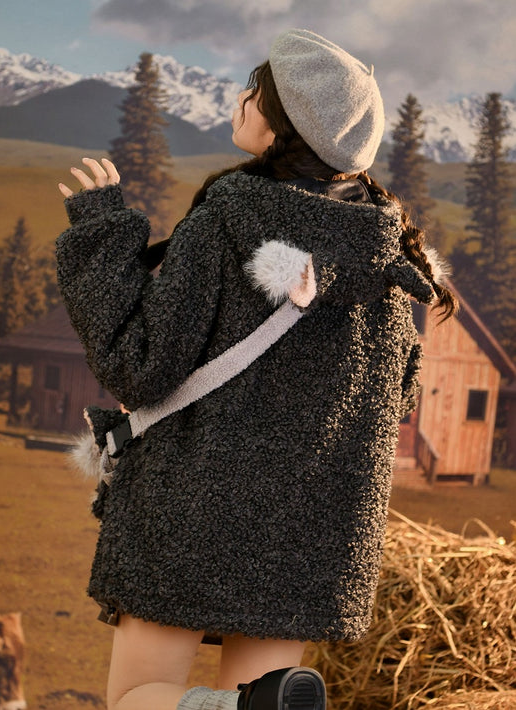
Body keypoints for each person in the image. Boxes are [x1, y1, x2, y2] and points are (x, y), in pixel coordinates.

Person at [56, 28, 457, 710]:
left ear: (283, 126)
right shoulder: (390, 259)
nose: (241, 100)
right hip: (310, 535)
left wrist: (100, 236)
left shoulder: (229, 221)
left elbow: (139, 363)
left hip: (192, 511)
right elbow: (394, 399)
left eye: (255, 91)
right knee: (268, 696)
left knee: (138, 695)